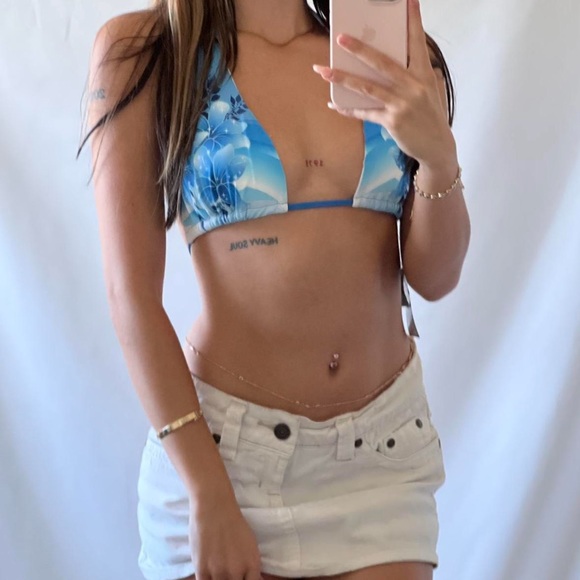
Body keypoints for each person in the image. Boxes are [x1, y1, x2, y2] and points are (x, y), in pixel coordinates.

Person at [77, 0, 470, 578]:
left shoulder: (385, 46)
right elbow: (129, 298)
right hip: (221, 458)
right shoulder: (152, 51)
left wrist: (438, 159)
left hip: (381, 458)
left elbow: (436, 278)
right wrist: (208, 491)